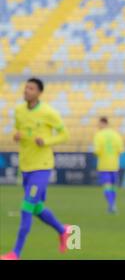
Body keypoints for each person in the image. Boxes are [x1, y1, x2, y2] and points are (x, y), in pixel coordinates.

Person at [1, 78, 71, 260]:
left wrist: (46, 141)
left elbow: (65, 135)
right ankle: (63, 230)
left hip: (42, 166)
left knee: (26, 207)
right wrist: (16, 136)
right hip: (26, 166)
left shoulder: (49, 112)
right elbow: (18, 131)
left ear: (39, 92)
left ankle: (15, 253)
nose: (26, 90)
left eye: (31, 88)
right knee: (37, 208)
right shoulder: (18, 111)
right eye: (25, 87)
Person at [93, 117, 124, 213]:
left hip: (104, 165)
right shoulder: (116, 134)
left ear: (103, 123)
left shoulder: (98, 135)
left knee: (107, 186)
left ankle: (111, 205)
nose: (98, 126)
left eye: (99, 124)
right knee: (113, 186)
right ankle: (112, 204)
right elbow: (120, 150)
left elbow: (97, 151)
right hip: (114, 164)